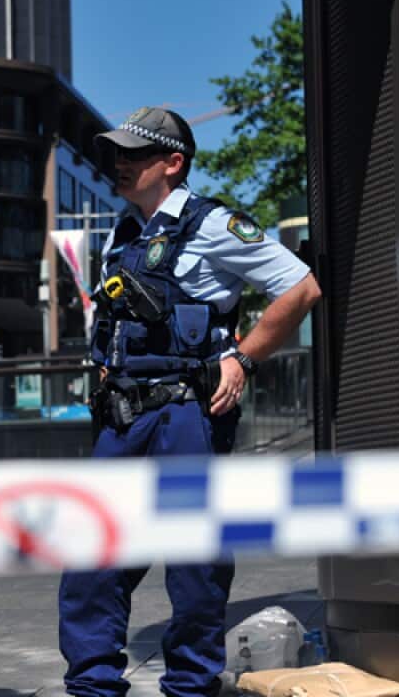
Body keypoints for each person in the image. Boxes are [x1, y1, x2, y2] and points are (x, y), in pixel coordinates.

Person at [58, 107, 322, 697]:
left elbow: (301, 286)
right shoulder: (125, 231)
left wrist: (243, 358)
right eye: (116, 155)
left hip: (185, 414)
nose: (118, 165)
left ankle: (191, 686)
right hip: (123, 416)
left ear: (172, 163)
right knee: (92, 550)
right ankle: (94, 683)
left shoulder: (210, 224)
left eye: (132, 155)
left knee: (194, 561)